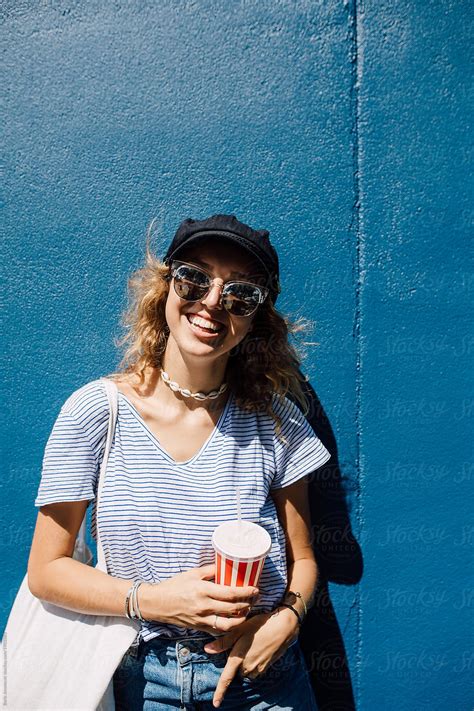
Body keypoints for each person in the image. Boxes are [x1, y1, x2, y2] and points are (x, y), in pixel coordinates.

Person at [28, 214, 331, 710]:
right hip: (145, 678)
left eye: (241, 294)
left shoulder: (275, 419)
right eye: (195, 277)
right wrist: (153, 600)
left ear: (256, 318)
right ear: (165, 287)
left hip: (262, 677)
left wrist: (285, 622)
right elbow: (47, 570)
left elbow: (304, 560)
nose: (212, 301)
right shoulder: (94, 412)